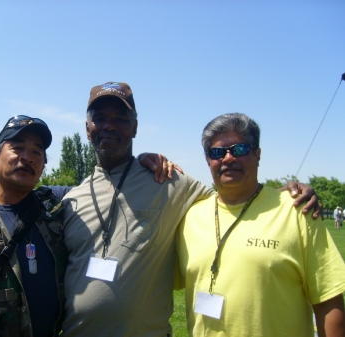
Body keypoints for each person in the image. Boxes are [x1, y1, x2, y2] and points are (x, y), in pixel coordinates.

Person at [59, 82, 320, 336]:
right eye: (100, 118)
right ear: (87, 128)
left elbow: (233, 198)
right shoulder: (71, 201)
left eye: (121, 118)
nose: (110, 125)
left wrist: (286, 195)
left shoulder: (166, 180)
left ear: (135, 127)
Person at [0, 114, 176, 337]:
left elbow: (104, 185)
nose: (27, 157)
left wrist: (139, 163)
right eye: (17, 148)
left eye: (37, 152)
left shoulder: (56, 205)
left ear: (43, 166)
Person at [176, 113, 345, 337]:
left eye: (239, 149)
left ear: (257, 155)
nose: (227, 158)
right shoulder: (190, 217)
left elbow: (328, 302)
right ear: (208, 160)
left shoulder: (297, 211)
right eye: (217, 152)